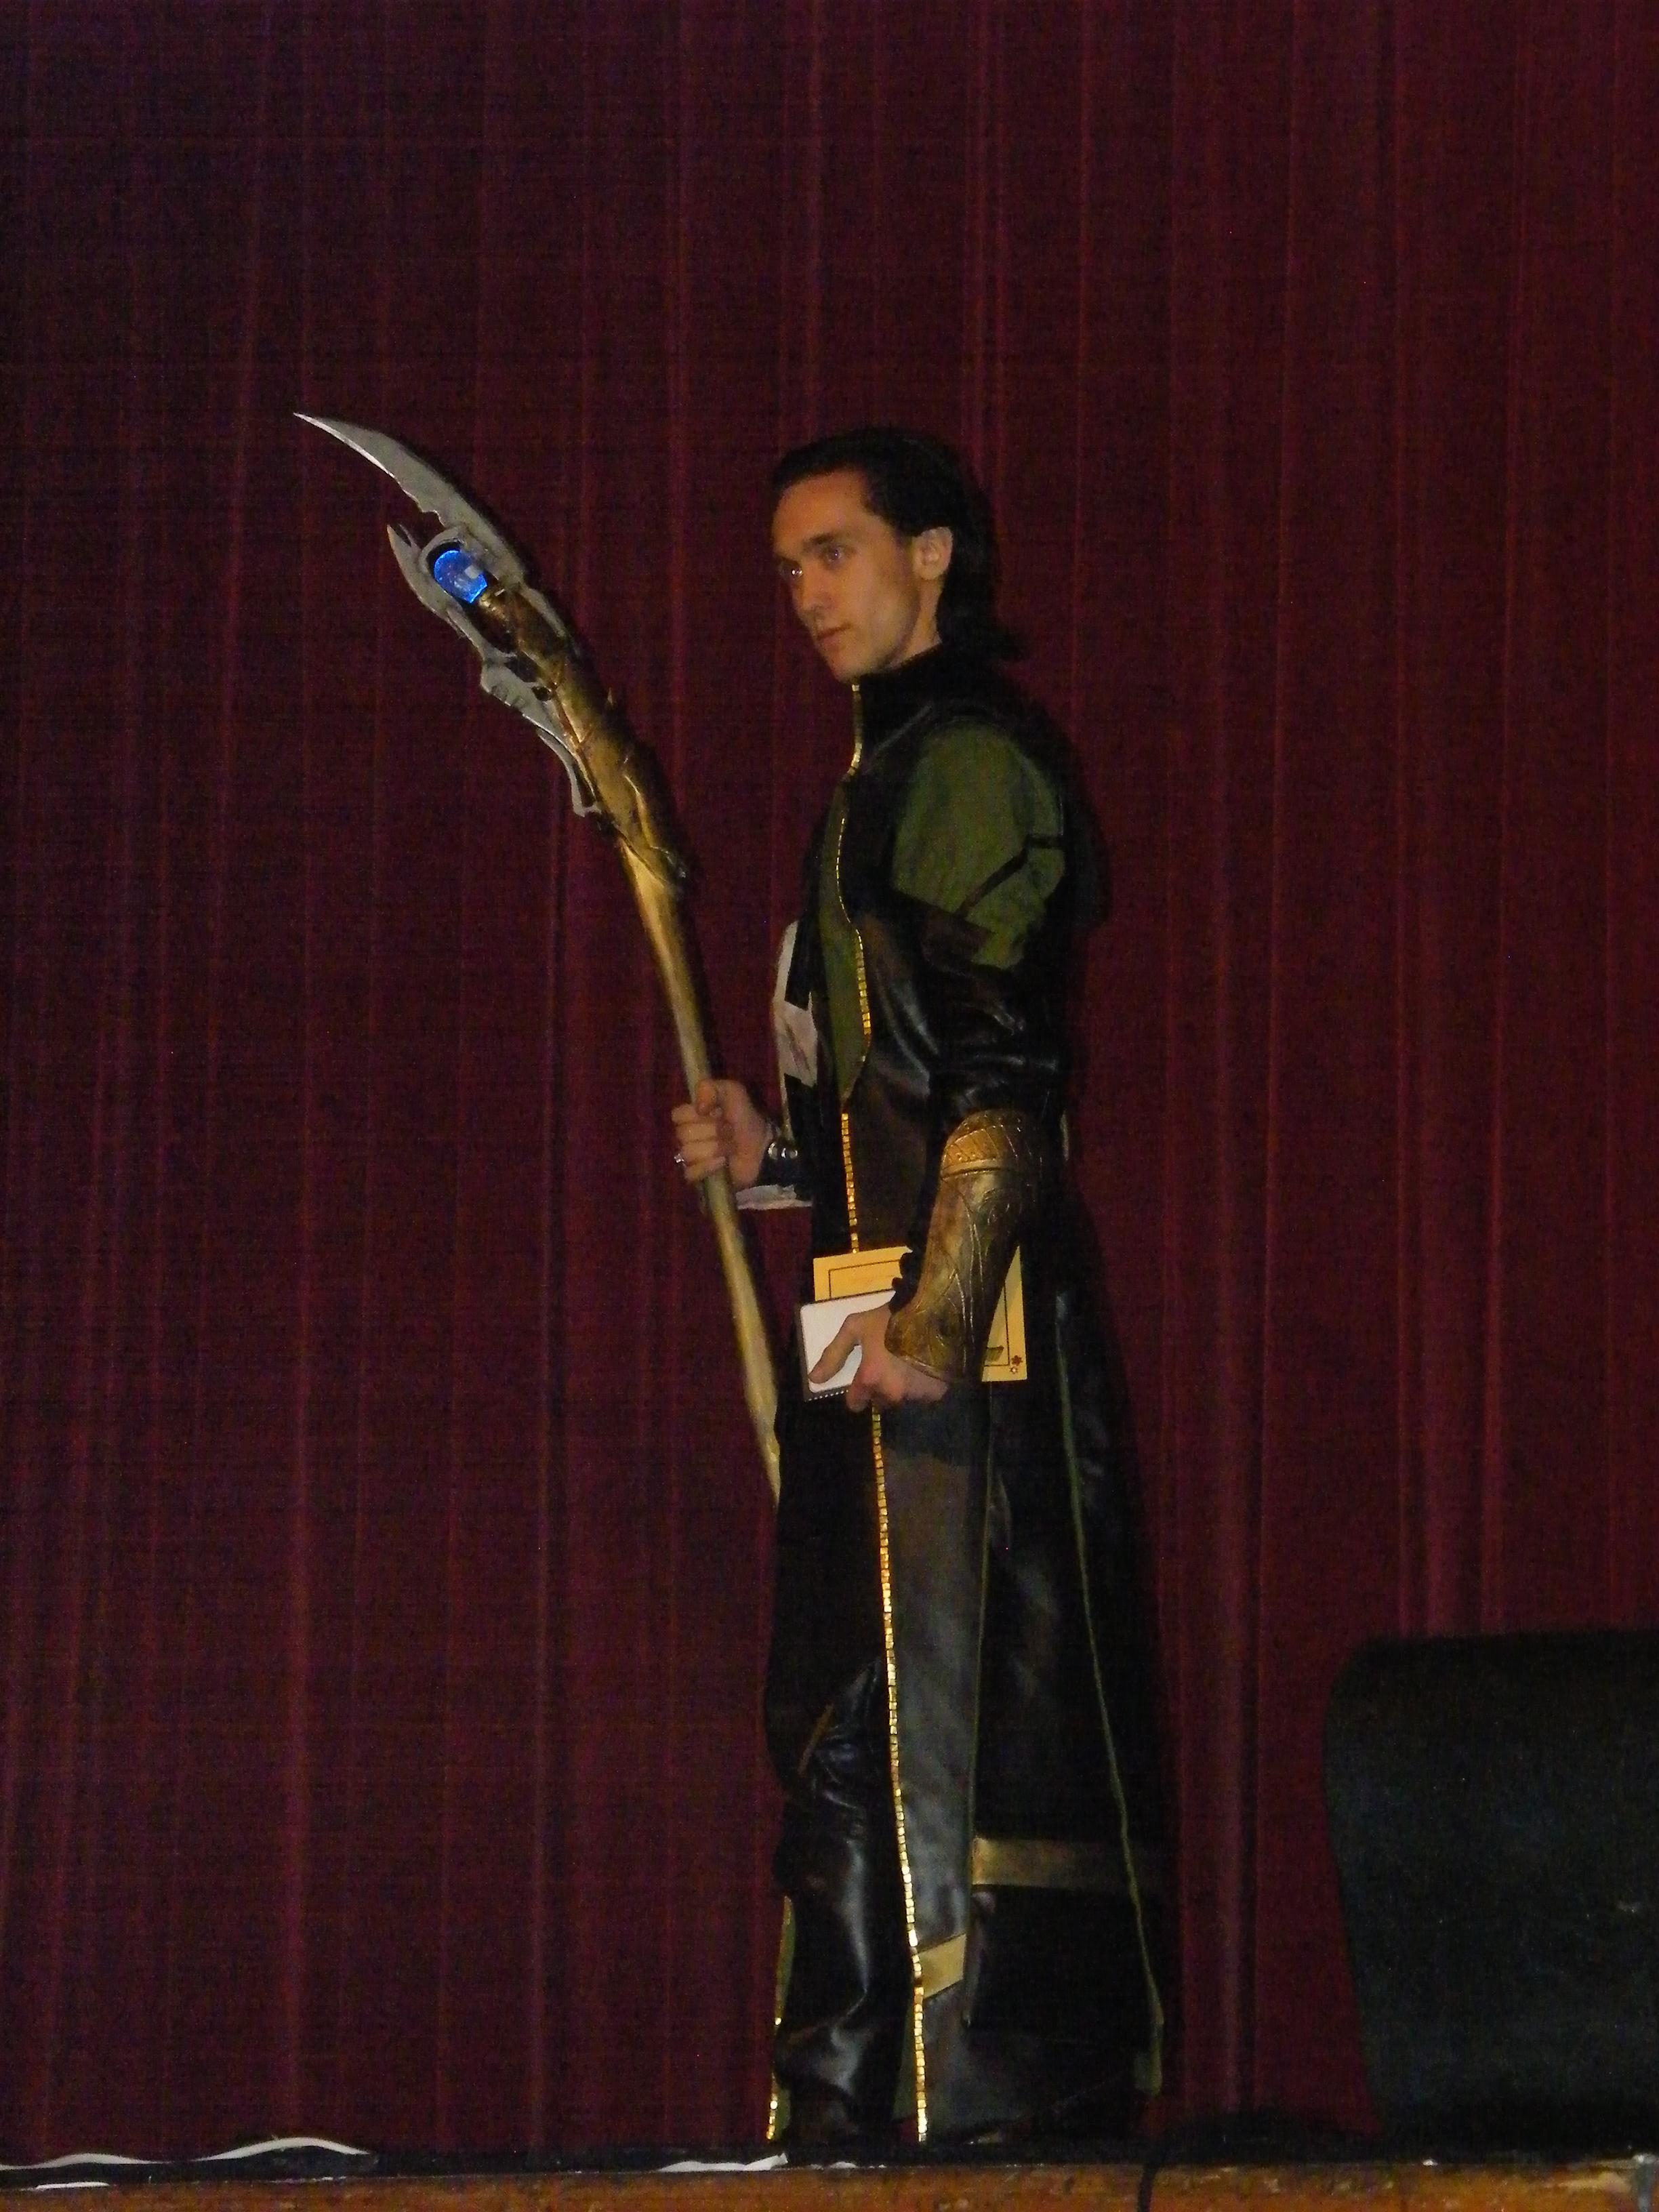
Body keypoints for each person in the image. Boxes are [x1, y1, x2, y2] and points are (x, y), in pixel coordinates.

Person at [672, 429, 1164, 2146]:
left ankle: (958, 2120)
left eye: (836, 551)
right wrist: (778, 1159)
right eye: (788, 568)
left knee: (949, 1724)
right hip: (875, 1318)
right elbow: (893, 1100)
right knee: (841, 1717)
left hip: (970, 1346)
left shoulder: (966, 761)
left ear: (934, 553)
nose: (806, 592)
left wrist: (942, 1322)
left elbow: (1007, 1081)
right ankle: (844, 2111)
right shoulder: (878, 778)